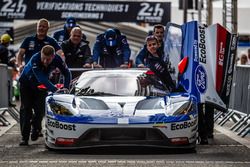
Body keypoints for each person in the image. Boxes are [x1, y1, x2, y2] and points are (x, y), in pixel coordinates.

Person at [18, 45, 71, 146]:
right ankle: (24, 137)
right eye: (43, 59)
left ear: (53, 56)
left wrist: (66, 87)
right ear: (41, 55)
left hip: (40, 86)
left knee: (40, 110)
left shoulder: (58, 60)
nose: (45, 61)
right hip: (26, 84)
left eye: (48, 59)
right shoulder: (35, 59)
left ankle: (36, 128)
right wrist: (56, 90)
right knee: (26, 109)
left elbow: (67, 73)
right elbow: (42, 78)